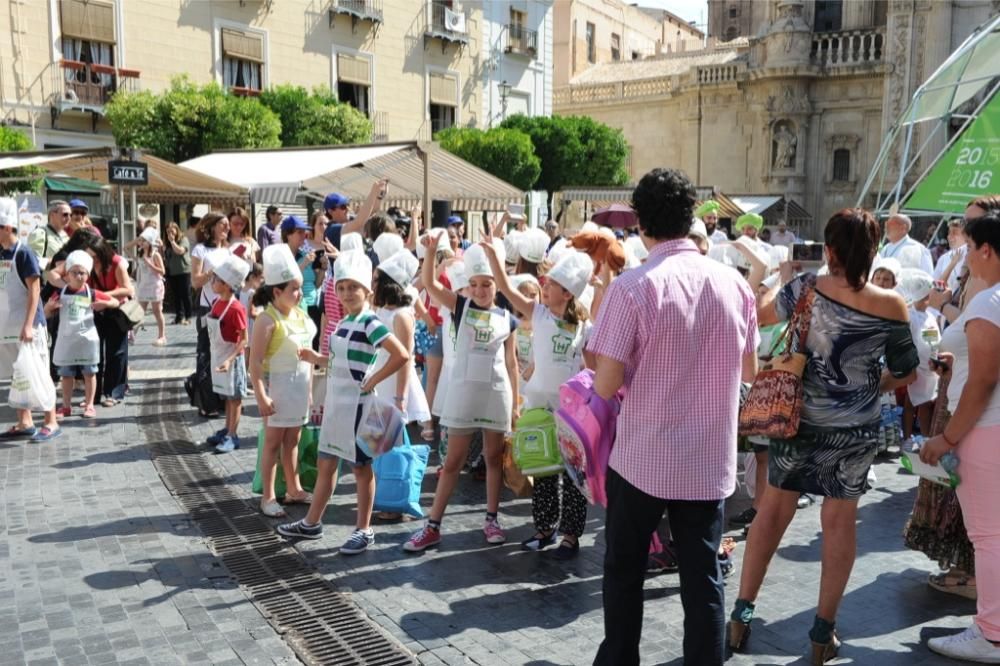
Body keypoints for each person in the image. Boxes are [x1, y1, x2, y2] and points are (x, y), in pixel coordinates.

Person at [729, 208, 918, 664]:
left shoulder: (806, 288)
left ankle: (741, 615)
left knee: (773, 511)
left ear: (830, 250)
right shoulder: (891, 304)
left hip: (798, 420)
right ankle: (821, 633)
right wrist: (871, 388)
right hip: (854, 429)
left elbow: (759, 312)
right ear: (873, 252)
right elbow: (906, 371)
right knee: (838, 523)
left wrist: (785, 273)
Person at [588, 169, 758, 665]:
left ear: (641, 223)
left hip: (643, 454)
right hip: (707, 455)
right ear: (690, 218)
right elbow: (748, 368)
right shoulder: (734, 284)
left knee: (624, 569)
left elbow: (604, 384)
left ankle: (619, 658)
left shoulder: (633, 287)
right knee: (703, 578)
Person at [278, 250, 409, 550]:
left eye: (354, 288)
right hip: (338, 406)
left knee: (361, 469)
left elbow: (401, 354)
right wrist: (318, 358)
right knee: (326, 465)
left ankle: (364, 529)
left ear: (368, 291)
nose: (347, 293)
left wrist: (373, 380)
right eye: (342, 287)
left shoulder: (370, 322)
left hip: (358, 408)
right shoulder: (344, 323)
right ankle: (311, 523)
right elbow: (341, 362)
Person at [920, 210, 1000, 663]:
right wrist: (957, 367)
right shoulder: (988, 300)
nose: (966, 256)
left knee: (989, 536)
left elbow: (984, 380)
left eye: (970, 248)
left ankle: (991, 633)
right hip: (990, 426)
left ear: (986, 249)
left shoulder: (990, 302)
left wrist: (946, 439)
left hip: (985, 429)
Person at [404, 234, 519, 552]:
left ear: (497, 285)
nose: (481, 290)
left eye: (488, 284)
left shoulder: (508, 318)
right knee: (452, 461)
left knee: (494, 458)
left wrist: (516, 405)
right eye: (476, 284)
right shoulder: (460, 306)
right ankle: (433, 526)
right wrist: (429, 253)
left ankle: (492, 518)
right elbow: (428, 283)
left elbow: (510, 364)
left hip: (497, 393)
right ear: (468, 285)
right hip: (464, 393)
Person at [484, 243, 595, 560]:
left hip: (571, 412)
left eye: (552, 285)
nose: (544, 287)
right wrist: (494, 258)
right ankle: (544, 529)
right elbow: (505, 287)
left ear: (568, 293)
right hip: (538, 408)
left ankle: (571, 536)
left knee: (573, 475)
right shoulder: (539, 313)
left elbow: (590, 367)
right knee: (543, 466)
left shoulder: (584, 326)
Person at [248, 244, 315, 517]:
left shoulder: (300, 314)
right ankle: (268, 496)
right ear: (277, 292)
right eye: (294, 290)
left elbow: (308, 357)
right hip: (278, 390)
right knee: (273, 443)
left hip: (299, 389)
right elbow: (255, 363)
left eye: (299, 289)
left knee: (294, 441)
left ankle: (294, 488)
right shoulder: (266, 320)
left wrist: (309, 390)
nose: (299, 295)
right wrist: (261, 396)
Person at [0, 198, 61, 442]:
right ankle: (24, 421)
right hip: (7, 322)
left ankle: (51, 420)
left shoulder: (24, 253)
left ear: (6, 227)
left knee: (38, 371)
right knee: (19, 373)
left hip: (30, 324)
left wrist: (27, 325)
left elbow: (34, 290)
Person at [45, 250, 119, 419]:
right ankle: (65, 406)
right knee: (66, 375)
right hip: (66, 340)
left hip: (87, 341)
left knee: (89, 373)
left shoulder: (91, 293)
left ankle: (90, 404)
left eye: (82, 273)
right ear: (67, 274)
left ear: (88, 275)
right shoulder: (60, 293)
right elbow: (46, 313)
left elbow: (114, 302)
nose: (78, 276)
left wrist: (104, 304)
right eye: (74, 272)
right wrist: (49, 308)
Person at [79, 233, 134, 407]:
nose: (92, 260)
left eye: (95, 257)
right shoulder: (87, 264)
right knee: (94, 353)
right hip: (96, 311)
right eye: (89, 256)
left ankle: (114, 392)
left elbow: (127, 289)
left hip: (116, 311)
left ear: (103, 253)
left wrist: (103, 296)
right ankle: (93, 395)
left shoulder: (116, 263)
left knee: (116, 352)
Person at [206, 256, 250, 454]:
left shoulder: (236, 308)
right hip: (219, 356)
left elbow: (244, 339)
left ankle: (233, 435)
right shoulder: (216, 302)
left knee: (235, 398)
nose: (212, 282)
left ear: (225, 285)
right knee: (226, 396)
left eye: (215, 279)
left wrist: (229, 359)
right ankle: (227, 428)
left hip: (233, 359)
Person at [190, 213, 232, 416]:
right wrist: (212, 272)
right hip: (208, 308)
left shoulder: (229, 250)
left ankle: (222, 398)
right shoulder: (200, 250)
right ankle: (207, 403)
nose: (227, 228)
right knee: (206, 354)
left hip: (227, 308)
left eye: (227, 225)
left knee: (224, 354)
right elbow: (195, 282)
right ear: (212, 227)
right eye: (223, 224)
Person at [897, 269, 939, 444]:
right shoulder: (910, 315)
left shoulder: (931, 315)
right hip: (916, 367)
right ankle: (908, 438)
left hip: (930, 368)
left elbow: (933, 339)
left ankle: (926, 438)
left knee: (925, 404)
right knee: (911, 403)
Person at [322, 179, 388, 250]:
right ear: (331, 211)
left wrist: (379, 196)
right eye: (343, 207)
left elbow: (372, 213)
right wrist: (373, 192)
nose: (348, 209)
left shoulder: (350, 220)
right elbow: (359, 222)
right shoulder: (331, 230)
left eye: (347, 205)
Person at [133, 227, 167, 346]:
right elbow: (126, 249)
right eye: (141, 240)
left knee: (157, 311)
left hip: (154, 286)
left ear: (150, 241)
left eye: (144, 240)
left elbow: (162, 271)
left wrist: (150, 265)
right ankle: (132, 335)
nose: (141, 243)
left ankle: (162, 336)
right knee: (139, 312)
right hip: (143, 286)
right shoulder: (140, 253)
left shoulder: (155, 255)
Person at [29, 200, 71, 286]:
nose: (69, 218)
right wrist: (56, 261)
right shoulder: (40, 233)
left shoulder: (66, 236)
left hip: (64, 286)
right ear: (52, 214)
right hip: (46, 288)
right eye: (65, 214)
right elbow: (31, 263)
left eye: (70, 215)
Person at [164, 222, 192, 325]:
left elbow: (179, 251)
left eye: (172, 231)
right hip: (173, 272)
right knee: (176, 296)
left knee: (185, 294)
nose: (170, 233)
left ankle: (188, 316)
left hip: (183, 270)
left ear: (177, 230)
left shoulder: (183, 240)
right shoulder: (167, 243)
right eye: (168, 232)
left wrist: (172, 241)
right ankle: (179, 317)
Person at [935, 218, 969, 294]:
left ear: (966, 236)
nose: (949, 236)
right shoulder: (943, 258)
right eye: (949, 232)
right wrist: (952, 264)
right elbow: (936, 288)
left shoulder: (973, 256)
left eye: (955, 233)